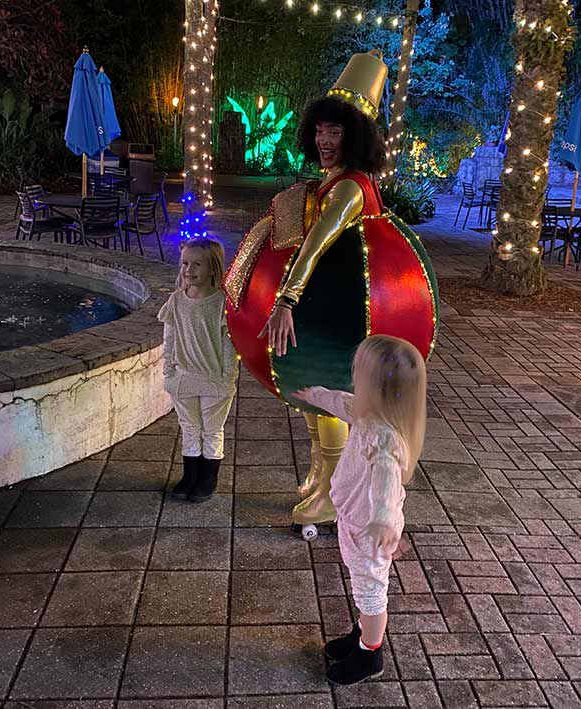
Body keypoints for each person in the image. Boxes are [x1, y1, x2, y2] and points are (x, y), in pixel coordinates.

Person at [224, 50, 438, 531]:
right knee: (314, 397)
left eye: (335, 132)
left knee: (327, 397)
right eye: (320, 130)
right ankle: (322, 472)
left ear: (355, 136)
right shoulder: (335, 179)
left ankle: (331, 494)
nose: (324, 140)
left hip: (345, 318)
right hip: (331, 308)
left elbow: (315, 244)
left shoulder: (349, 189)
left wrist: (285, 300)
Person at [294, 335, 427, 685]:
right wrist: (315, 395)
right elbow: (341, 402)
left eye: (359, 373)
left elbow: (386, 482)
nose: (353, 376)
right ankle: (362, 634)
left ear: (375, 386)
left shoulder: (384, 439)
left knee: (370, 592)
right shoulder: (367, 413)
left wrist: (383, 521)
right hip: (354, 519)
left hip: (371, 529)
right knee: (361, 586)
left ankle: (370, 653)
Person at [158, 237, 239, 502]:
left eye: (197, 264)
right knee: (189, 427)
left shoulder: (221, 304)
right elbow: (169, 339)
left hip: (214, 380)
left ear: (213, 268)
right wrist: (168, 372)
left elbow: (229, 344)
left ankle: (208, 478)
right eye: (185, 263)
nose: (189, 270)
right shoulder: (176, 301)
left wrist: (227, 377)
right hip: (184, 378)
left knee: (212, 429)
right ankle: (190, 476)